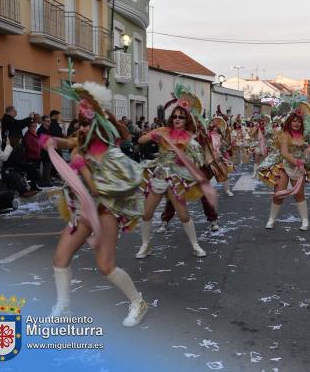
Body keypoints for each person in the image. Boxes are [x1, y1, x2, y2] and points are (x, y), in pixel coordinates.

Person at [44, 81, 147, 326]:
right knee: (60, 257)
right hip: (81, 209)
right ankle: (64, 308)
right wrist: (51, 142)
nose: (82, 127)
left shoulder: (111, 154)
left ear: (100, 124)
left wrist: (82, 168)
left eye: (87, 122)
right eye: (81, 122)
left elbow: (102, 189)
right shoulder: (82, 142)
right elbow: (69, 143)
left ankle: (138, 303)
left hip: (104, 210)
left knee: (105, 265)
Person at [136, 87, 215, 259]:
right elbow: (141, 140)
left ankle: (195, 245)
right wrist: (152, 135)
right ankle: (145, 245)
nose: (177, 119)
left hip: (177, 178)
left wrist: (184, 159)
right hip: (159, 176)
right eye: (175, 116)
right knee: (147, 213)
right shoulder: (163, 131)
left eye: (181, 117)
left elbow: (198, 160)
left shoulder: (189, 138)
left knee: (183, 214)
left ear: (187, 120)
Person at [258, 103, 310, 231]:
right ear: (289, 122)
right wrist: (297, 162)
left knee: (299, 194)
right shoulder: (285, 135)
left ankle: (305, 221)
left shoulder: (304, 135)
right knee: (278, 194)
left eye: (299, 121)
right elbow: (284, 153)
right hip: (284, 164)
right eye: (294, 121)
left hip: (299, 167)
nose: (296, 123)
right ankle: (271, 219)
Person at [37, 115, 53, 186]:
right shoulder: (41, 130)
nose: (49, 122)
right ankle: (45, 181)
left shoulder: (48, 129)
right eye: (47, 121)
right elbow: (41, 142)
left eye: (49, 121)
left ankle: (48, 180)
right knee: (46, 166)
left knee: (49, 166)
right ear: (43, 122)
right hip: (44, 151)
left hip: (49, 150)